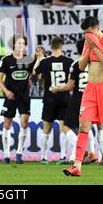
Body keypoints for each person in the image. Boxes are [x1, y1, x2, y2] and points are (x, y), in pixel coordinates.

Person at [63, 16, 103, 178]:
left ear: (96, 29)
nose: (86, 36)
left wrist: (95, 48)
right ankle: (77, 166)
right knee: (84, 126)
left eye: (89, 32)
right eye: (85, 34)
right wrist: (88, 49)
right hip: (90, 89)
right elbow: (81, 66)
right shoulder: (88, 43)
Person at [33, 36, 73, 165]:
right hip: (64, 99)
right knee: (63, 128)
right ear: (61, 46)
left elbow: (35, 73)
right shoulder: (69, 62)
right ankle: (62, 156)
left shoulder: (45, 62)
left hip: (49, 99)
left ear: (51, 47)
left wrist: (39, 58)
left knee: (46, 129)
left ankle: (43, 157)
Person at [0, 36, 34, 164]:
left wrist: (39, 60)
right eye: (19, 43)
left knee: (24, 123)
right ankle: (6, 155)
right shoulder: (6, 60)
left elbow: (35, 73)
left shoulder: (28, 59)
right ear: (13, 45)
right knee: (7, 125)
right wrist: (6, 91)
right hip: (10, 96)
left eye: (23, 43)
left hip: (24, 96)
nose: (21, 45)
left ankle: (19, 153)